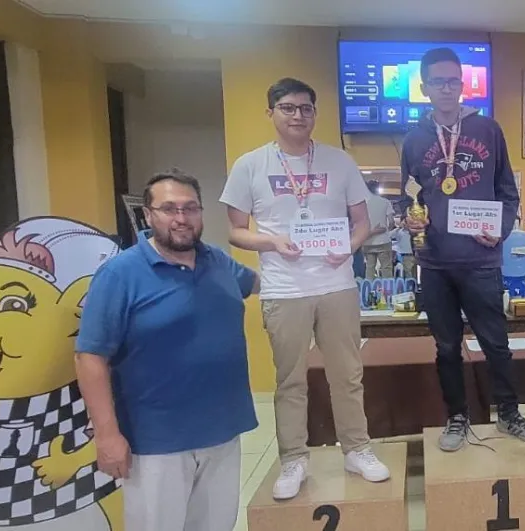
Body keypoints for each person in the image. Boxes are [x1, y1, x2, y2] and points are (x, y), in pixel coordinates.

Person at [220, 77, 390, 500]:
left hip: (337, 286)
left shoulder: (339, 162)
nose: (298, 116)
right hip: (283, 289)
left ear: (315, 113)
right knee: (290, 381)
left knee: (347, 376)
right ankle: (294, 458)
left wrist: (348, 247)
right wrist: (273, 242)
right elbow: (235, 232)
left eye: (306, 108)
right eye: (288, 108)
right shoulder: (250, 165)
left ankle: (357, 449)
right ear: (271, 113)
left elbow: (362, 222)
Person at [76, 170, 259, 531]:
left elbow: (264, 283)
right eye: (169, 208)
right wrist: (107, 434)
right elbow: (90, 357)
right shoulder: (120, 273)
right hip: (156, 441)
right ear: (148, 215)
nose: (181, 218)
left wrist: (314, 257)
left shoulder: (218, 261)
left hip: (222, 431)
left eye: (190, 208)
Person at [399, 47, 525, 451]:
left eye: (453, 81)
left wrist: (499, 231)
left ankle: (510, 414)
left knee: (496, 343)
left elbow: (507, 193)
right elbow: (407, 195)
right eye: (437, 81)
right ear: (425, 87)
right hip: (435, 261)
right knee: (446, 346)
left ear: (462, 85)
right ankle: (457, 417)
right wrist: (409, 217)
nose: (446, 88)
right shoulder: (414, 139)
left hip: (481, 259)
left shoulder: (488, 130)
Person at [364, 180, 394, 279]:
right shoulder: (385, 202)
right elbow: (391, 222)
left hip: (367, 241)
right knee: (386, 267)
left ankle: (369, 291)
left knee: (370, 267)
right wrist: (387, 230)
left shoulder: (363, 203)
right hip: (383, 240)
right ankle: (388, 291)